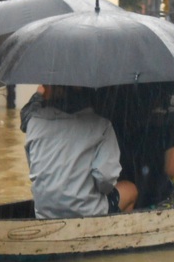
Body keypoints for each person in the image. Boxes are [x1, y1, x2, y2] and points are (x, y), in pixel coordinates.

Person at [20, 85, 137, 219]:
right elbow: (105, 181)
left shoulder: (33, 123)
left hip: (44, 213)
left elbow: (35, 169)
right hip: (90, 213)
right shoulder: (102, 125)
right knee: (131, 189)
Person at [93, 84, 174, 209]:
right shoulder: (164, 107)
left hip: (118, 197)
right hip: (156, 199)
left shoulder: (107, 98)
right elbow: (173, 168)